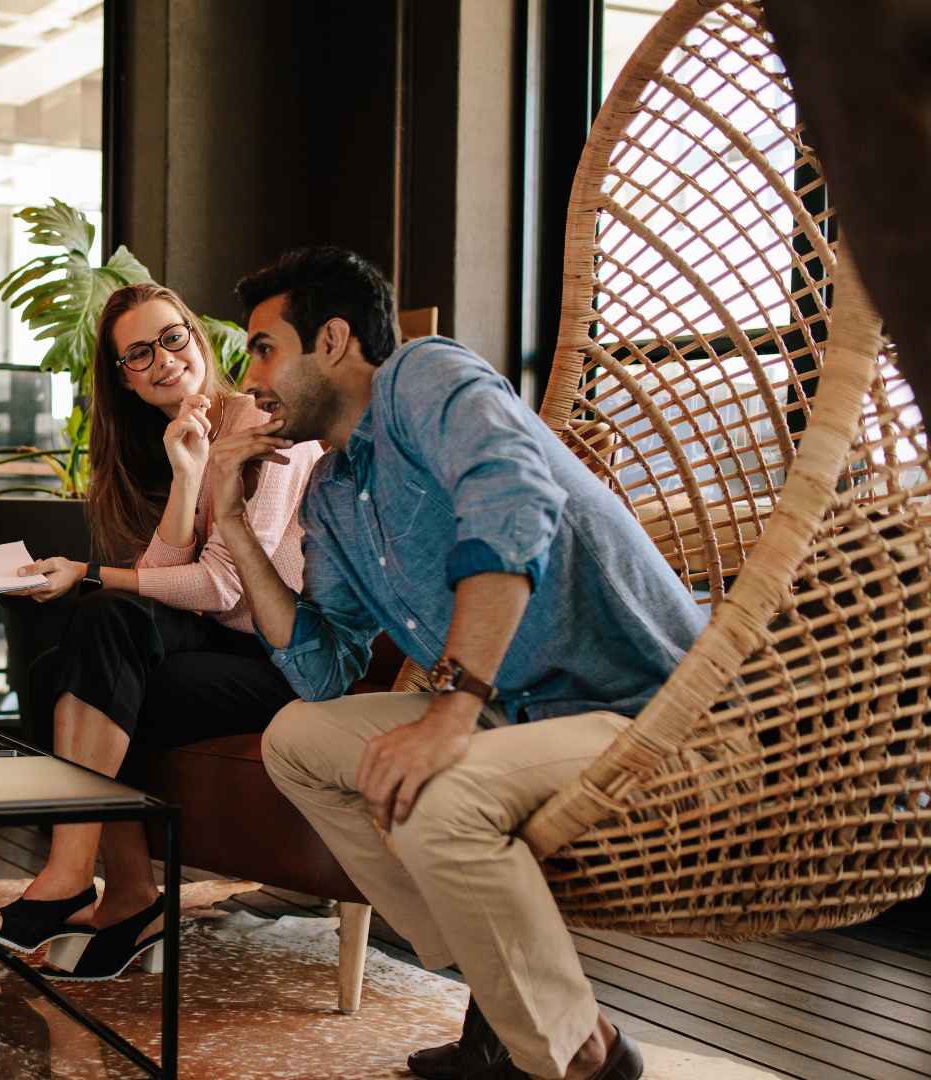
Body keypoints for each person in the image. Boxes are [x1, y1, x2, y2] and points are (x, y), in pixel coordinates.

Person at [208, 247, 706, 1080]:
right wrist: (232, 523)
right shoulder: (331, 488)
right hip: (525, 715)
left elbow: (515, 498)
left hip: (647, 710)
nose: (248, 377)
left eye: (263, 347)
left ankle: (582, 1058)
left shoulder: (423, 377)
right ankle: (504, 997)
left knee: (440, 801)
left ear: (332, 341)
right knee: (297, 737)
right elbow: (324, 672)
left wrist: (452, 709)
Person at [0, 282, 324, 981]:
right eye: (139, 354)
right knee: (52, 671)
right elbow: (168, 574)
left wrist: (91, 573)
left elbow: (223, 586)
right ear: (125, 380)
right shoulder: (177, 441)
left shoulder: (262, 425)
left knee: (104, 612)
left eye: (172, 337)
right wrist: (188, 472)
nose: (163, 359)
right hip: (223, 644)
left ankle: (69, 878)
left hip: (285, 656)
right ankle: (130, 896)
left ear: (198, 337)